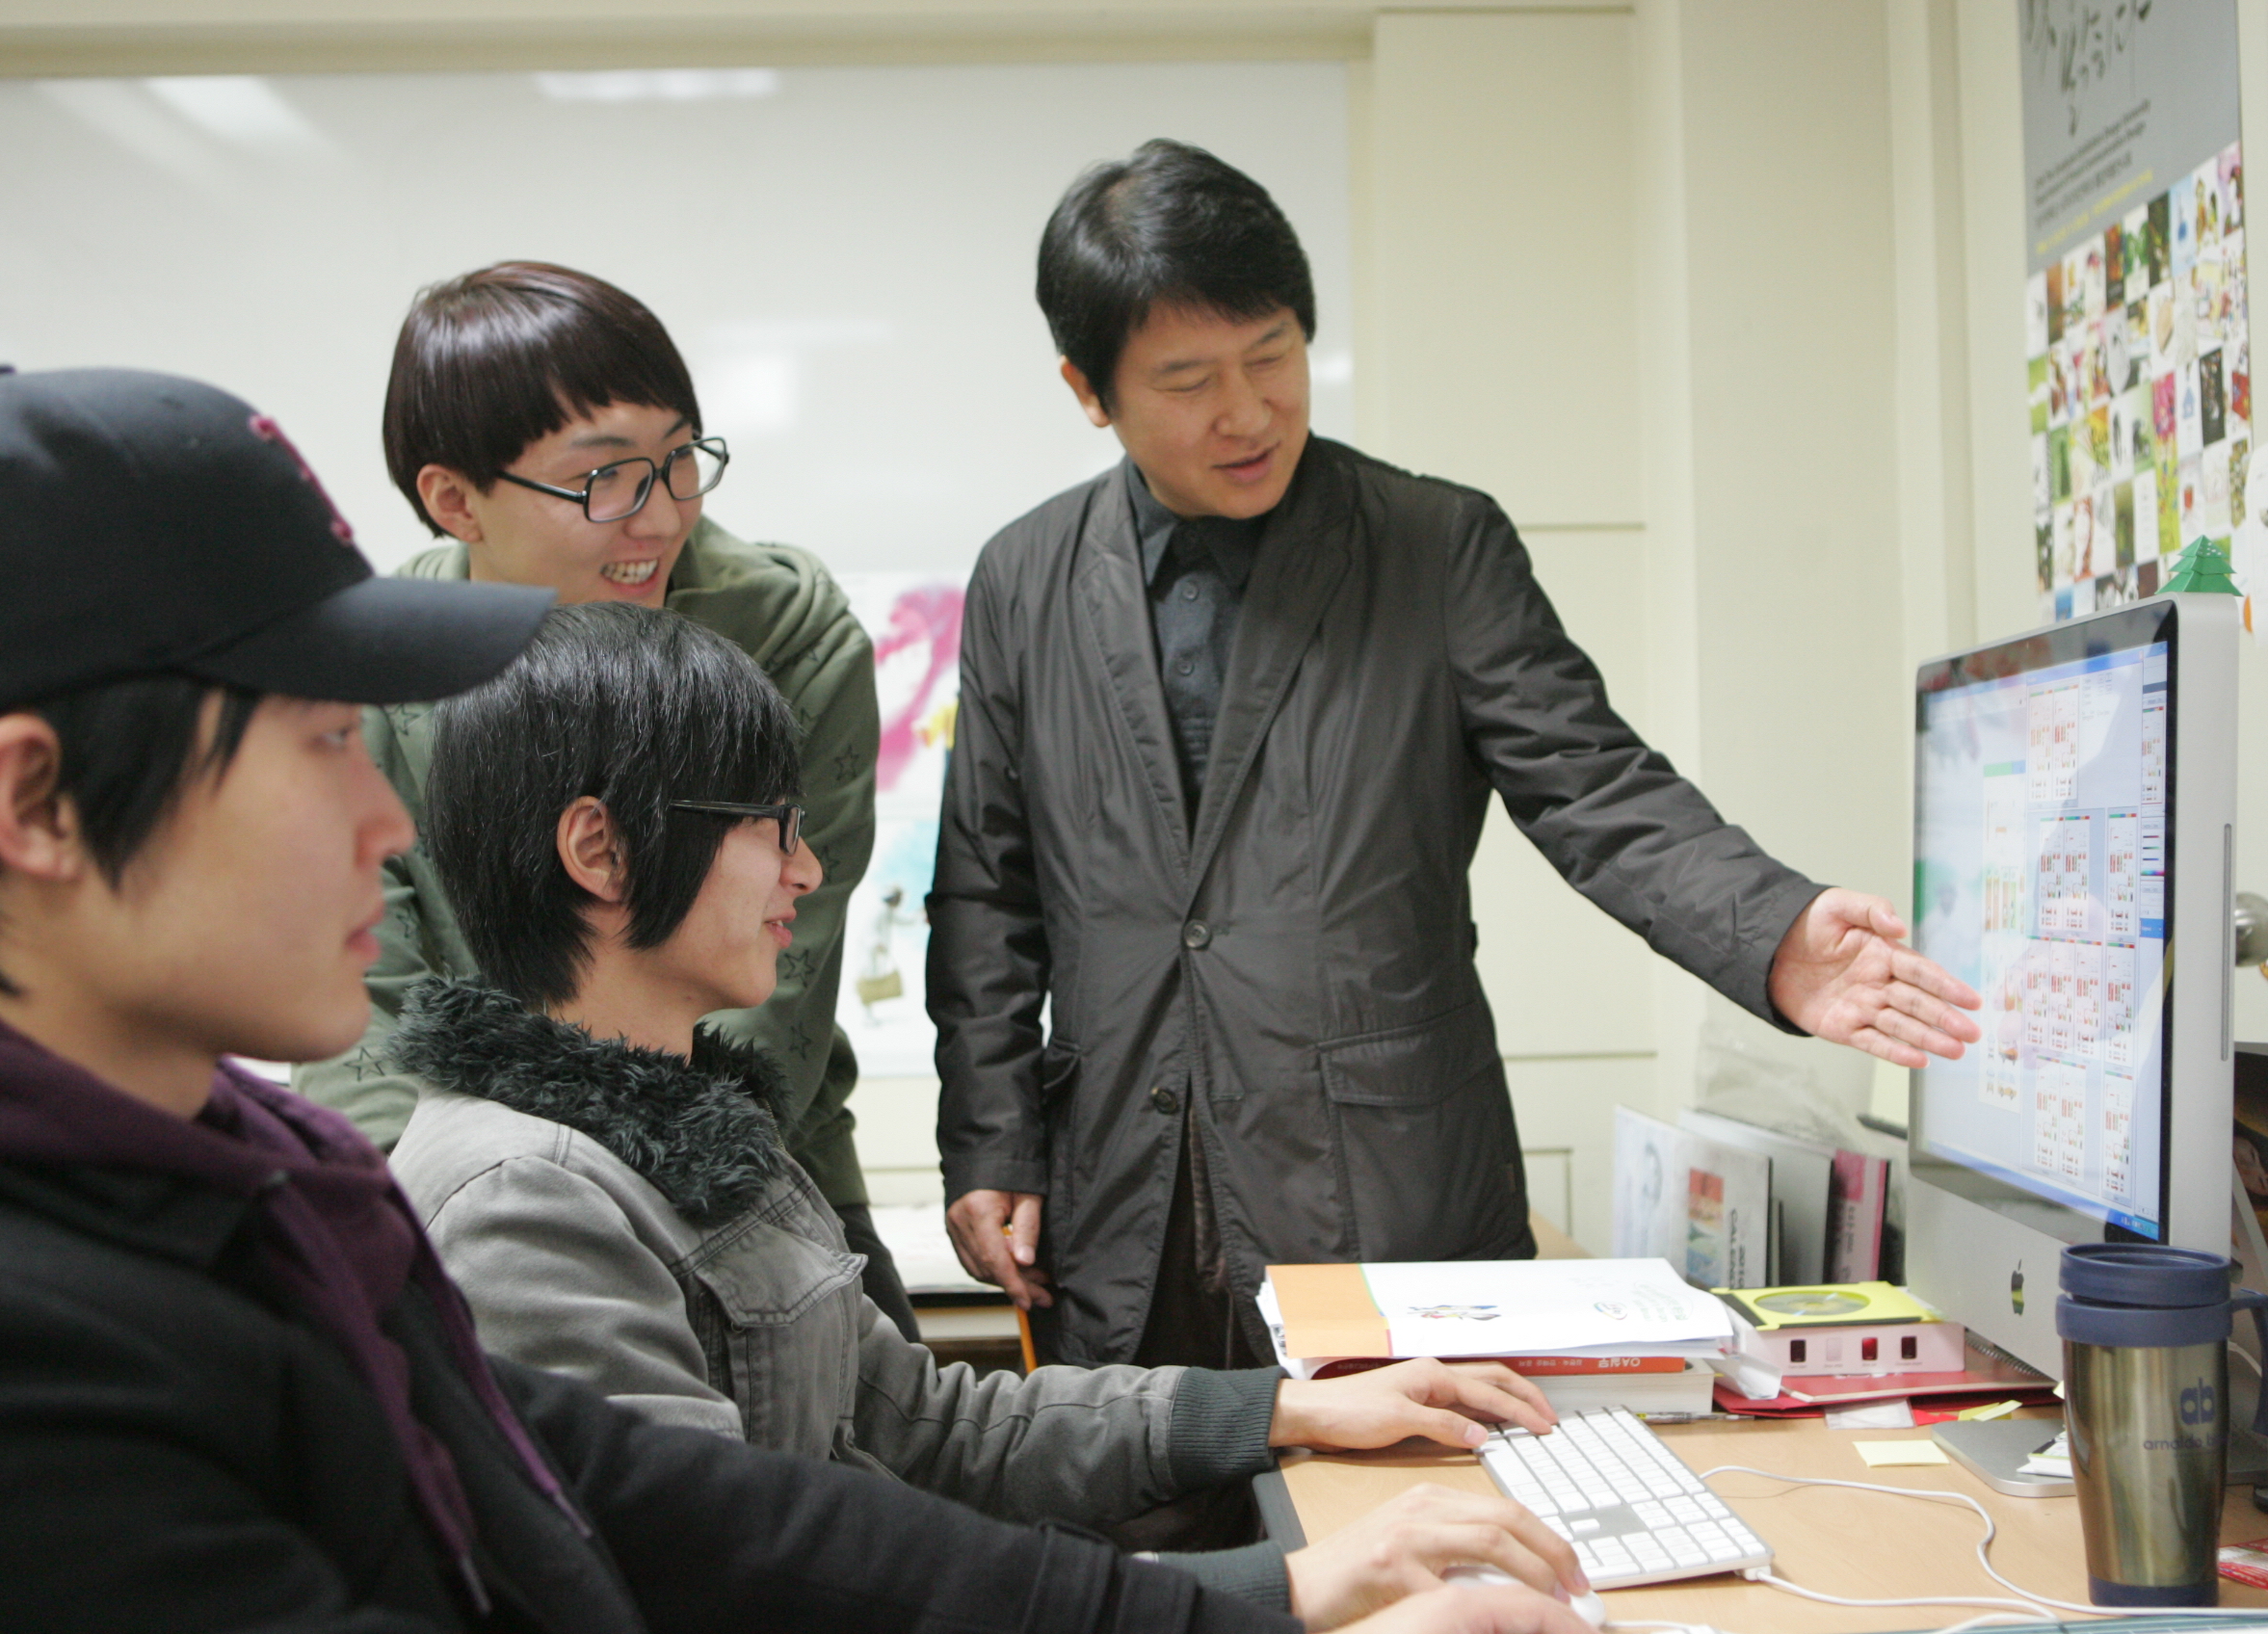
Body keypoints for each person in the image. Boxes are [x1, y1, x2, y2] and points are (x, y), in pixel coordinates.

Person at [0, 366, 1588, 1634]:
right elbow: (759, 1581)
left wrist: (1270, 1520)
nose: (382, 822)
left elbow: (757, 1516)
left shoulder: (299, 1194)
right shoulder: (83, 1357)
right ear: (36, 804)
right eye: (318, 745)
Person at [931, 141, 1984, 1368]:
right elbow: (988, 892)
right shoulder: (1024, 580)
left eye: (1273, 354)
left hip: (1385, 1191)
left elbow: (1596, 785)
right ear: (1089, 389)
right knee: (1139, 1485)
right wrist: (992, 1139)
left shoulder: (1436, 549)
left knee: (1412, 1491)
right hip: (1124, 1198)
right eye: (1189, 379)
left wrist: (1773, 931)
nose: (1249, 410)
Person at [381, 600, 1589, 1626]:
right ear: (600, 849)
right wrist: (1280, 1592)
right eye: (767, 824)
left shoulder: (689, 1132)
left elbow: (928, 1425)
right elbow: (755, 1591)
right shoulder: (524, 1202)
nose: (805, 869)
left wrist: (1280, 1406)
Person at [291, 260, 920, 1341]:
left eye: (680, 460)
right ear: (456, 501)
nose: (661, 516)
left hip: (750, 1173)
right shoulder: (377, 679)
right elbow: (360, 1011)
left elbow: (772, 986)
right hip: (459, 1202)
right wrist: (428, 1240)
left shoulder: (786, 638)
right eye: (603, 479)